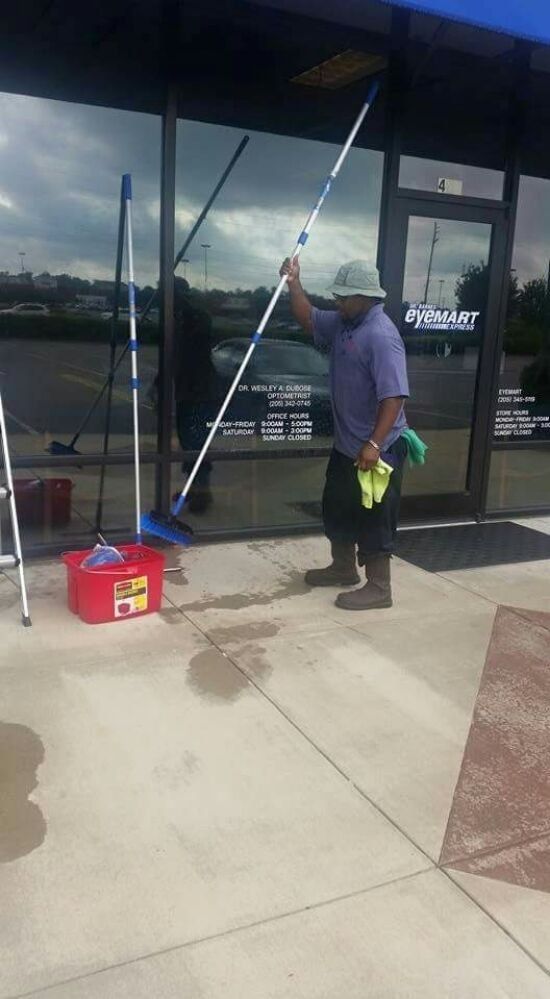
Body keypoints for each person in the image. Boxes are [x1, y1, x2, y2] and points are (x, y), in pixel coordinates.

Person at [280, 257, 409, 610]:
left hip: (379, 449)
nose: (336, 302)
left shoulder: (381, 336)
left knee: (375, 516)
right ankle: (343, 567)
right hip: (347, 446)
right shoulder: (343, 322)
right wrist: (294, 283)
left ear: (365, 297)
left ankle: (380, 588)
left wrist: (374, 444)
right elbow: (308, 318)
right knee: (336, 507)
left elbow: (394, 396)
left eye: (343, 297)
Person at [172, 278, 216, 513]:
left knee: (197, 443)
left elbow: (192, 347)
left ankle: (202, 492)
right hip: (184, 391)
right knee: (187, 442)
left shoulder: (196, 316)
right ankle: (192, 487)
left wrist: (179, 301)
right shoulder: (179, 317)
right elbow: (175, 355)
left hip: (199, 391)